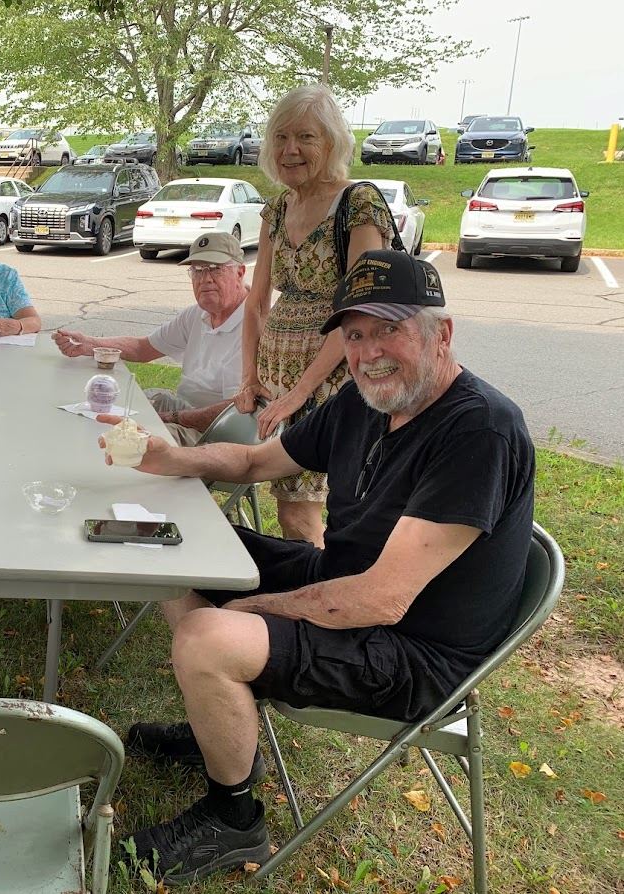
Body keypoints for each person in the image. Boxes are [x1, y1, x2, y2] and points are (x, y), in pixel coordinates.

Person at [103, 251, 535, 885]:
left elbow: (381, 601)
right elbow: (255, 463)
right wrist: (169, 458)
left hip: (412, 652)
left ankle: (233, 816)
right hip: (344, 584)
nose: (369, 352)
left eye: (389, 328)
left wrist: (250, 610)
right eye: (354, 335)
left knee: (208, 635)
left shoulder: (480, 431)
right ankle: (218, 723)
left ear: (441, 333)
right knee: (177, 543)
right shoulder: (364, 401)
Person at [235, 84, 396, 547]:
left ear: (331, 144)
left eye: (305, 137)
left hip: (335, 382)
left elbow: (359, 308)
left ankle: (316, 601)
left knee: (305, 514)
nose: (290, 150)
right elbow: (256, 301)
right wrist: (249, 376)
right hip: (277, 380)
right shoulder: (278, 206)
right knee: (292, 507)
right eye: (281, 137)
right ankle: (313, 589)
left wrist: (302, 393)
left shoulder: (358, 203)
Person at [53, 231, 248, 446]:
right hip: (186, 410)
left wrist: (172, 418)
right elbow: (143, 348)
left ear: (240, 272)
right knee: (119, 408)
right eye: (197, 270)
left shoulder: (254, 326)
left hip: (220, 433)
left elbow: (235, 411)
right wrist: (90, 344)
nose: (205, 279)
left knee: (132, 439)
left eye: (216, 269)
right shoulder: (196, 315)